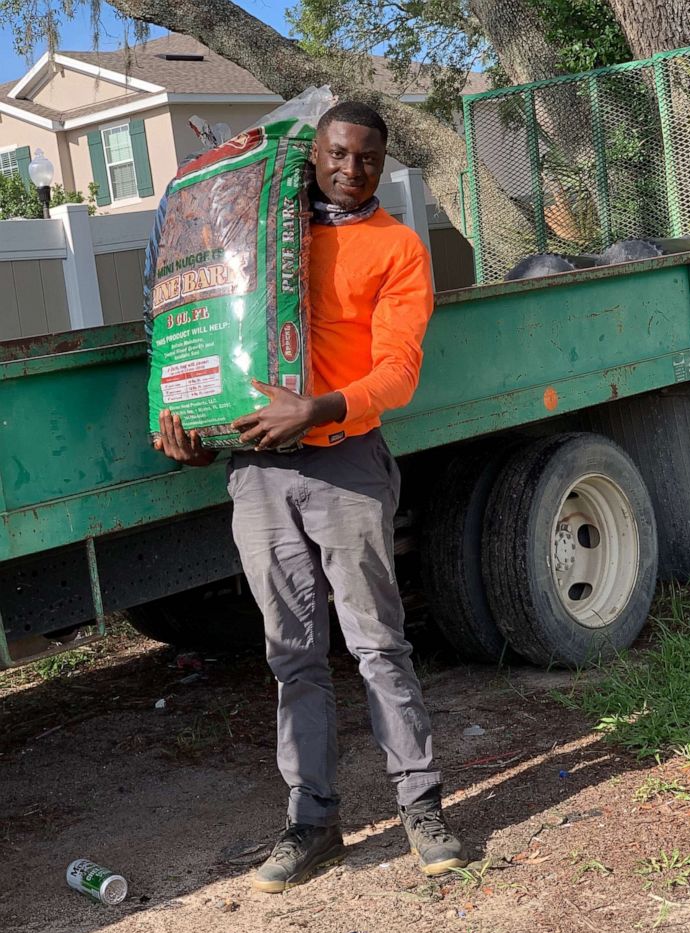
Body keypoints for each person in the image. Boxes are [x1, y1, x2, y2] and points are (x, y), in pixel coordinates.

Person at [155, 101, 468, 893]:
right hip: (257, 475)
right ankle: (311, 823)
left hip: (345, 461)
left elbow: (398, 371)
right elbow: (196, 333)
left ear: (383, 163)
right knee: (292, 655)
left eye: (367, 158)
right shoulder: (257, 241)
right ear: (315, 154)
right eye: (337, 153)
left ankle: (422, 806)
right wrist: (192, 426)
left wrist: (317, 408)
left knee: (376, 646)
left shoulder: (395, 247)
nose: (350, 169)